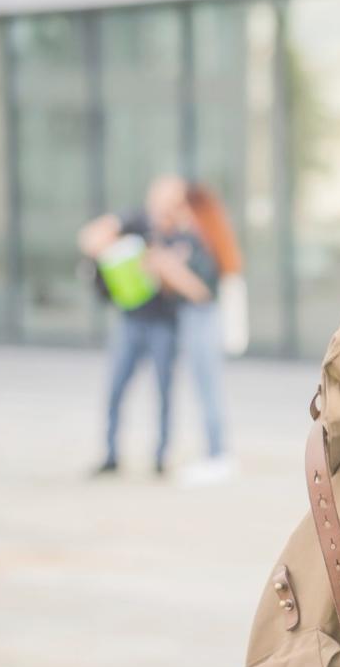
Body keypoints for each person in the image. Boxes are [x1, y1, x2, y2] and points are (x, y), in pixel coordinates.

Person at [78, 176, 211, 476]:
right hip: (130, 321)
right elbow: (90, 238)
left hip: (164, 324)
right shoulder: (134, 223)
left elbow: (199, 290)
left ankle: (161, 457)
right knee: (116, 389)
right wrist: (120, 249)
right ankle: (111, 454)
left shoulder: (185, 238)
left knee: (164, 392)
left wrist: (165, 267)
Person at [176, 183, 245, 486]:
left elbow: (201, 290)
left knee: (208, 388)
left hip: (203, 319)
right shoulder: (207, 239)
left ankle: (217, 455)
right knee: (206, 387)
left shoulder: (201, 242)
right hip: (202, 319)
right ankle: (215, 453)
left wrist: (171, 267)